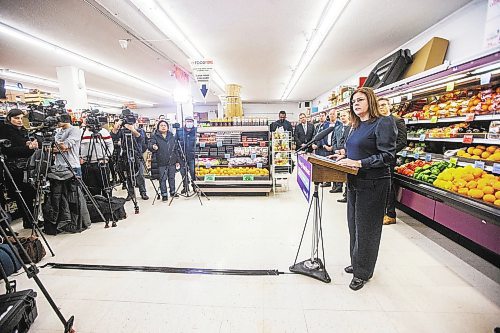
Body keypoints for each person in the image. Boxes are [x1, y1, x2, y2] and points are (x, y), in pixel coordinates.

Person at [331, 87, 397, 291]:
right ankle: (357, 261)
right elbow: (356, 149)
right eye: (353, 101)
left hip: (374, 183)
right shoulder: (357, 125)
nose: (355, 104)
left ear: (371, 100)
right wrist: (343, 156)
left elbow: (388, 156)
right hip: (354, 182)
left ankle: (363, 272)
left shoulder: (383, 122)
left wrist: (360, 163)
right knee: (354, 226)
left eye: (360, 100)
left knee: (367, 229)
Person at [0, 109, 38, 228]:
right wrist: (29, 148)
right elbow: (8, 151)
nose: (19, 121)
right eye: (16, 118)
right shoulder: (5, 130)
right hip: (14, 168)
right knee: (22, 194)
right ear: (9, 118)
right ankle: (29, 221)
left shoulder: (22, 131)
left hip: (25, 167)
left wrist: (31, 145)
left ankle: (31, 219)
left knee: (28, 194)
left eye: (21, 118)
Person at [378, 97, 407, 225]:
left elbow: (402, 141)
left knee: (388, 185)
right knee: (380, 186)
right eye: (379, 106)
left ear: (389, 106)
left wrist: (388, 153)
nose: (381, 108)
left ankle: (391, 214)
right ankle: (380, 212)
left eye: (384, 105)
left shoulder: (397, 120)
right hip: (377, 159)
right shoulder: (377, 121)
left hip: (388, 159)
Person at [112, 118, 149, 200]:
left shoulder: (140, 130)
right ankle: (131, 193)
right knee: (128, 175)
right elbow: (114, 135)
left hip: (137, 154)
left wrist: (132, 129)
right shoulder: (122, 131)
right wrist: (118, 124)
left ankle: (143, 192)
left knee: (140, 174)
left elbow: (140, 138)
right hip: (126, 155)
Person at [80, 117, 114, 196]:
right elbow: (77, 146)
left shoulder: (103, 132)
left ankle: (108, 206)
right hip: (87, 164)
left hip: (102, 164)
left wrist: (107, 157)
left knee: (106, 188)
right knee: (92, 189)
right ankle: (95, 206)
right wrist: (79, 157)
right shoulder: (81, 132)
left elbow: (110, 145)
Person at [149, 121, 180, 201]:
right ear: (158, 127)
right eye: (161, 125)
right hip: (161, 161)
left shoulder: (171, 136)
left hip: (171, 160)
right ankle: (164, 194)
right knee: (162, 179)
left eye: (165, 125)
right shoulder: (155, 136)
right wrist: (153, 146)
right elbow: (150, 145)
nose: (163, 127)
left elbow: (175, 148)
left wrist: (177, 160)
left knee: (172, 177)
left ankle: (172, 191)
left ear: (167, 127)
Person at [331, 109, 351, 197]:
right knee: (337, 170)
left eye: (344, 115)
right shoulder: (337, 128)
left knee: (347, 174)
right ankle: (338, 187)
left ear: (348, 116)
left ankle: (347, 194)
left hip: (348, 154)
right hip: (337, 153)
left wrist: (344, 151)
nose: (342, 117)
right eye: (341, 116)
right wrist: (336, 150)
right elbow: (334, 140)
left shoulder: (352, 127)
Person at [175, 116, 197, 194]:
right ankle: (186, 187)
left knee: (193, 172)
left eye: (191, 121)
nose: (189, 123)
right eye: (187, 121)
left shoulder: (196, 131)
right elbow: (175, 144)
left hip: (192, 156)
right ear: (184, 122)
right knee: (183, 173)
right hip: (181, 156)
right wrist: (177, 157)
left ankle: (195, 186)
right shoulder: (179, 131)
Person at [325, 109, 343, 191]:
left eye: (333, 114)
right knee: (329, 167)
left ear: (336, 115)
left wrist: (334, 147)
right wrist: (325, 145)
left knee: (337, 167)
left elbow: (339, 138)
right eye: (330, 114)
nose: (331, 115)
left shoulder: (340, 124)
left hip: (336, 149)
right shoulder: (326, 125)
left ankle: (338, 186)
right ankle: (332, 184)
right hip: (326, 147)